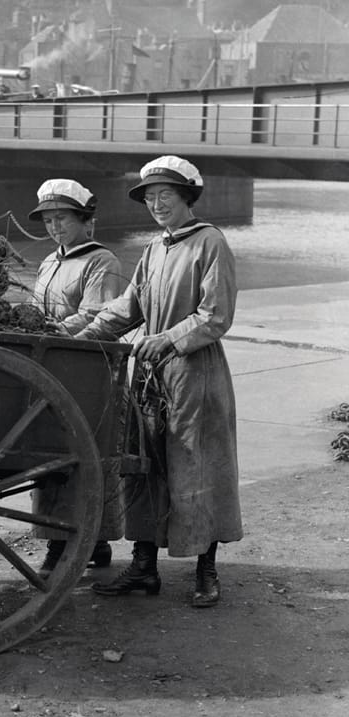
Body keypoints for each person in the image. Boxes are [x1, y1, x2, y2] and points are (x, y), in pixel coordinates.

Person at [77, 156, 242, 608]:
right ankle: (144, 567)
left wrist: (168, 339)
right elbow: (126, 309)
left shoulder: (210, 243)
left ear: (187, 197)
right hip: (149, 376)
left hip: (195, 374)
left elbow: (215, 316)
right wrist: (79, 336)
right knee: (145, 466)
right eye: (149, 198)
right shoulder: (153, 249)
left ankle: (205, 569)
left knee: (196, 466)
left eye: (164, 196)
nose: (156, 205)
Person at [26, 179, 127, 577]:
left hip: (85, 370)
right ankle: (91, 542)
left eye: (62, 219)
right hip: (48, 365)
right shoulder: (50, 261)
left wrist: (50, 331)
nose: (54, 227)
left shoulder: (101, 261)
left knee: (78, 453)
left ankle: (65, 543)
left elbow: (95, 315)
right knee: (46, 450)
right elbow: (36, 307)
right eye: (48, 220)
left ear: (86, 220)